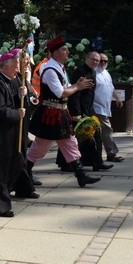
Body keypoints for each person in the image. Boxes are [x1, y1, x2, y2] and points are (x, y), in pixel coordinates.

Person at [26, 37, 101, 188]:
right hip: (49, 114)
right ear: (54, 52)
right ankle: (23, 173)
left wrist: (76, 86)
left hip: (59, 113)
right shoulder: (49, 70)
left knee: (70, 143)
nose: (67, 52)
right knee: (41, 147)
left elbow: (66, 89)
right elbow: (61, 93)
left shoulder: (59, 67)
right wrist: (78, 87)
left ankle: (81, 175)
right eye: (64, 49)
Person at [0, 49, 35, 218]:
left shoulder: (7, 81)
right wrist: (17, 113)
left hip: (6, 136)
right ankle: (0, 206)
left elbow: (11, 104)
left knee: (5, 170)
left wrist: (19, 96)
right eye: (16, 65)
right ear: (5, 66)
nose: (18, 67)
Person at [61, 51, 113, 171]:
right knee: (77, 138)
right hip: (79, 109)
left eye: (97, 60)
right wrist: (76, 112)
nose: (95, 62)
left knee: (94, 136)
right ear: (87, 58)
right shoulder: (80, 71)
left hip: (89, 108)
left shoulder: (93, 72)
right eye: (93, 59)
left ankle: (96, 162)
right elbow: (75, 93)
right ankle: (69, 164)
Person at [93, 53, 124, 162]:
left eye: (105, 61)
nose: (102, 63)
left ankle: (98, 154)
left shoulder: (106, 73)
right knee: (107, 129)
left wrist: (117, 98)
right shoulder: (93, 73)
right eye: (101, 60)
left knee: (100, 131)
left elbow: (111, 86)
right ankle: (111, 153)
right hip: (96, 106)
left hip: (105, 106)